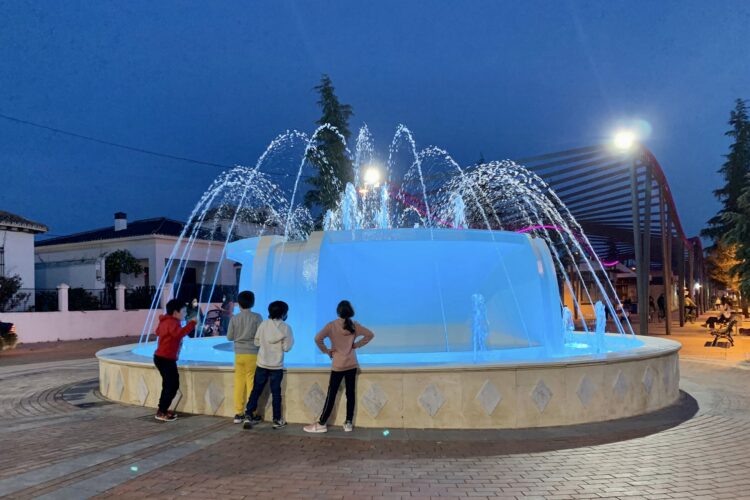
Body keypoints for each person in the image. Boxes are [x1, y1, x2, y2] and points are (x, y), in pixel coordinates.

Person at [304, 300, 375, 434]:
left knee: (332, 394)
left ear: (338, 311)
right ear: (350, 312)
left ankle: (322, 423)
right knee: (351, 394)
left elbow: (317, 338)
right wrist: (356, 345)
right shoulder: (354, 325)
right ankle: (348, 423)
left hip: (338, 365)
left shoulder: (332, 325)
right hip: (352, 364)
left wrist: (327, 351)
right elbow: (370, 335)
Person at [243, 300, 294, 430]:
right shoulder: (286, 328)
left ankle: (248, 415)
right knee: (276, 393)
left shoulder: (263, 325)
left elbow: (256, 342)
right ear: (284, 313)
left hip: (262, 363)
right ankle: (277, 419)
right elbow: (287, 348)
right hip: (276, 366)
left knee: (256, 390)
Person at [153, 299, 197, 422]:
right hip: (165, 359)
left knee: (168, 385)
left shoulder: (166, 321)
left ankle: (162, 409)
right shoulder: (172, 322)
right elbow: (178, 334)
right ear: (175, 312)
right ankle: (162, 411)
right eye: (183, 311)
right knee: (172, 385)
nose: (185, 314)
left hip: (162, 358)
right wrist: (191, 324)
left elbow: (158, 332)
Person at [226, 291, 262, 424]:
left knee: (239, 383)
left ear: (239, 303)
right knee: (251, 383)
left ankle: (238, 413)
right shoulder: (257, 317)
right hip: (252, 354)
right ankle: (251, 412)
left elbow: (229, 337)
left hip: (239, 354)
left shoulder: (234, 318)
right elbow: (260, 336)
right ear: (253, 302)